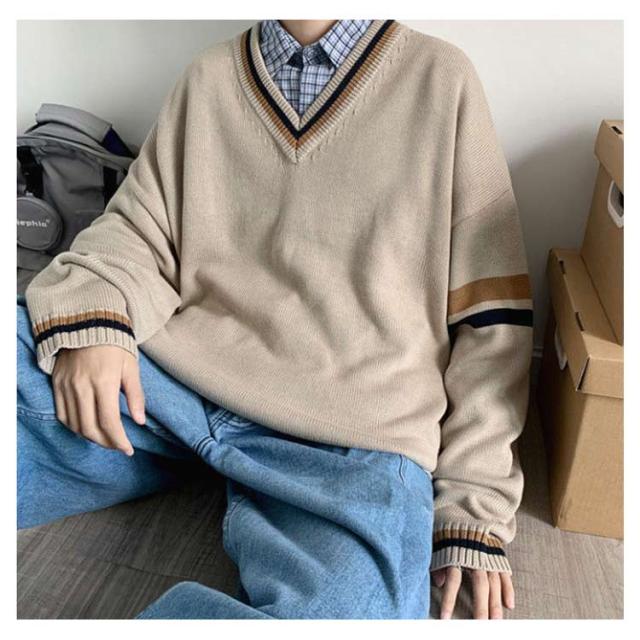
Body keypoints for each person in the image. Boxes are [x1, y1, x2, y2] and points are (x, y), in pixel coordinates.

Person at [17, 19, 533, 619]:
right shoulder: (209, 77)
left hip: (353, 432)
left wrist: (473, 504)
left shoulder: (442, 79)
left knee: (355, 613)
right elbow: (138, 230)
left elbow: (490, 319)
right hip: (174, 384)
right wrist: (95, 320)